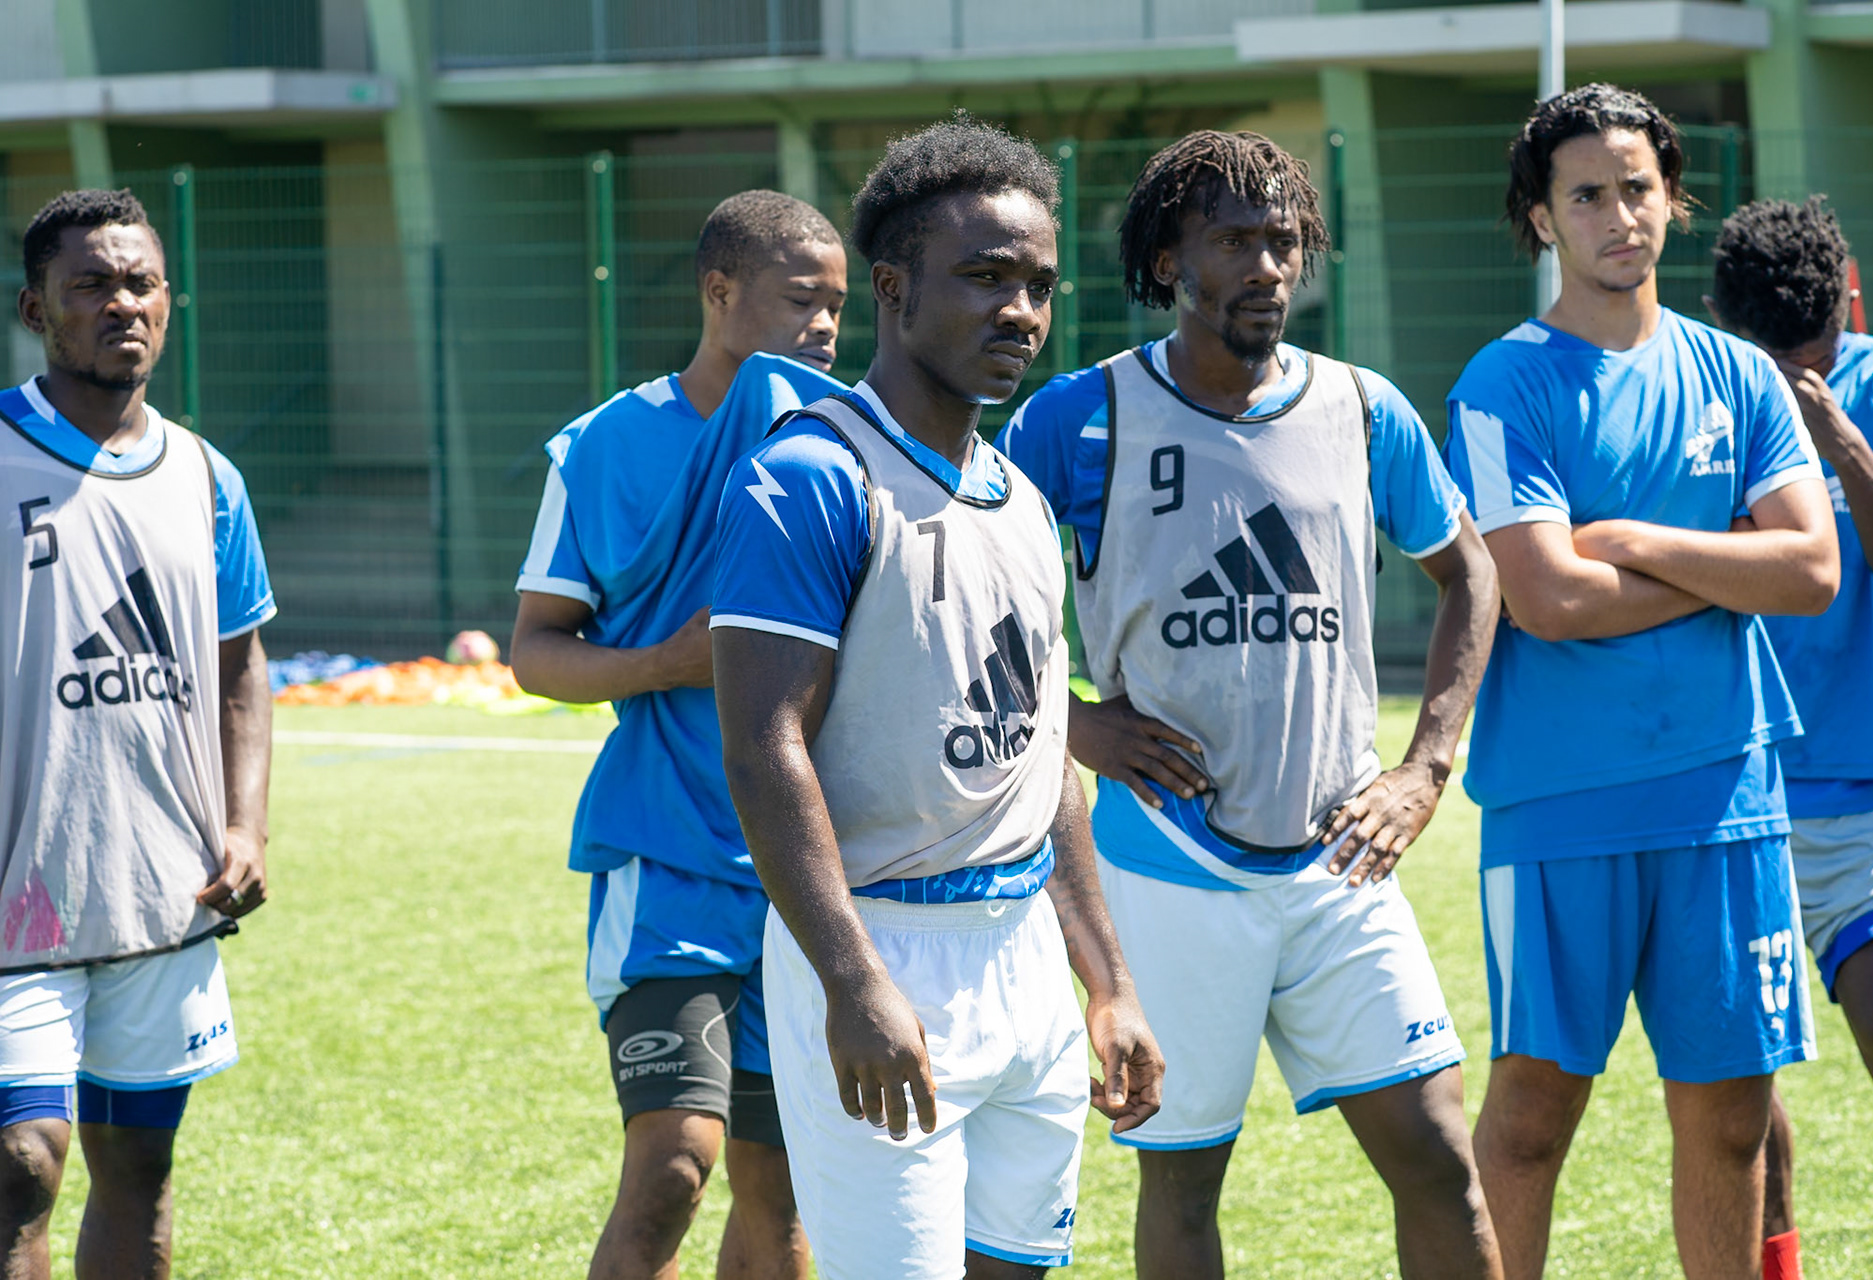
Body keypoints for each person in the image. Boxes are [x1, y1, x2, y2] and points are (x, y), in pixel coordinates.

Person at [1000, 129, 1504, 1280]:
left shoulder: (1364, 409)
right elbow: (975, 595)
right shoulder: (1078, 419)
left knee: (1438, 1157)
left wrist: (1425, 766)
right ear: (1173, 258)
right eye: (1235, 240)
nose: (1268, 266)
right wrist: (1074, 721)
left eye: (1285, 241)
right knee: (1185, 1186)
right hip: (1169, 860)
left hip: (1340, 860)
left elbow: (1472, 573)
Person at [709, 116, 1164, 1279]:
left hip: (1023, 956)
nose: (1020, 309)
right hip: (878, 942)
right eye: (984, 276)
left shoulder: (1015, 494)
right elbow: (766, 751)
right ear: (894, 287)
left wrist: (1106, 983)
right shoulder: (808, 476)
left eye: (1038, 284)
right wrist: (855, 981)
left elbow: (1040, 750)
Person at [1444, 85, 1841, 1280]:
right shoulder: (1501, 384)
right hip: (1561, 805)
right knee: (1529, 1117)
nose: (1620, 213)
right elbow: (1548, 601)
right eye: (1588, 194)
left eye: (1638, 187)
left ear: (1672, 197)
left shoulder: (1737, 374)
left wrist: (1637, 540)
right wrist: (1730, 567)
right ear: (1542, 220)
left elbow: (1815, 570)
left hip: (1726, 792)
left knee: (1729, 1119)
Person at [510, 189, 847, 1280]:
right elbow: (534, 646)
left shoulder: (844, 444)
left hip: (811, 869)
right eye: (804, 299)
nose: (827, 327)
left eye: (840, 305)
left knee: (782, 1182)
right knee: (672, 1165)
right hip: (669, 863)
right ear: (719, 290)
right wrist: (663, 662)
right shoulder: (606, 446)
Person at [0, 189, 275, 1279]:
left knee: (139, 1171)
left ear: (171, 300)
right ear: (36, 309)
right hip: (15, 896)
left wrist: (247, 825)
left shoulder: (208, 476)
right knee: (22, 1162)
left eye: (141, 282)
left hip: (164, 892)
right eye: (91, 285)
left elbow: (241, 663)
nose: (123, 303)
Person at [1705, 197, 1873, 1277]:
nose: (1797, 369)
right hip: (1722, 793)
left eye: (1817, 346)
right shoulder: (1690, 396)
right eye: (1771, 355)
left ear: (1850, 299)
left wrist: (1837, 436)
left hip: (1872, 792)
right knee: (1739, 1095)